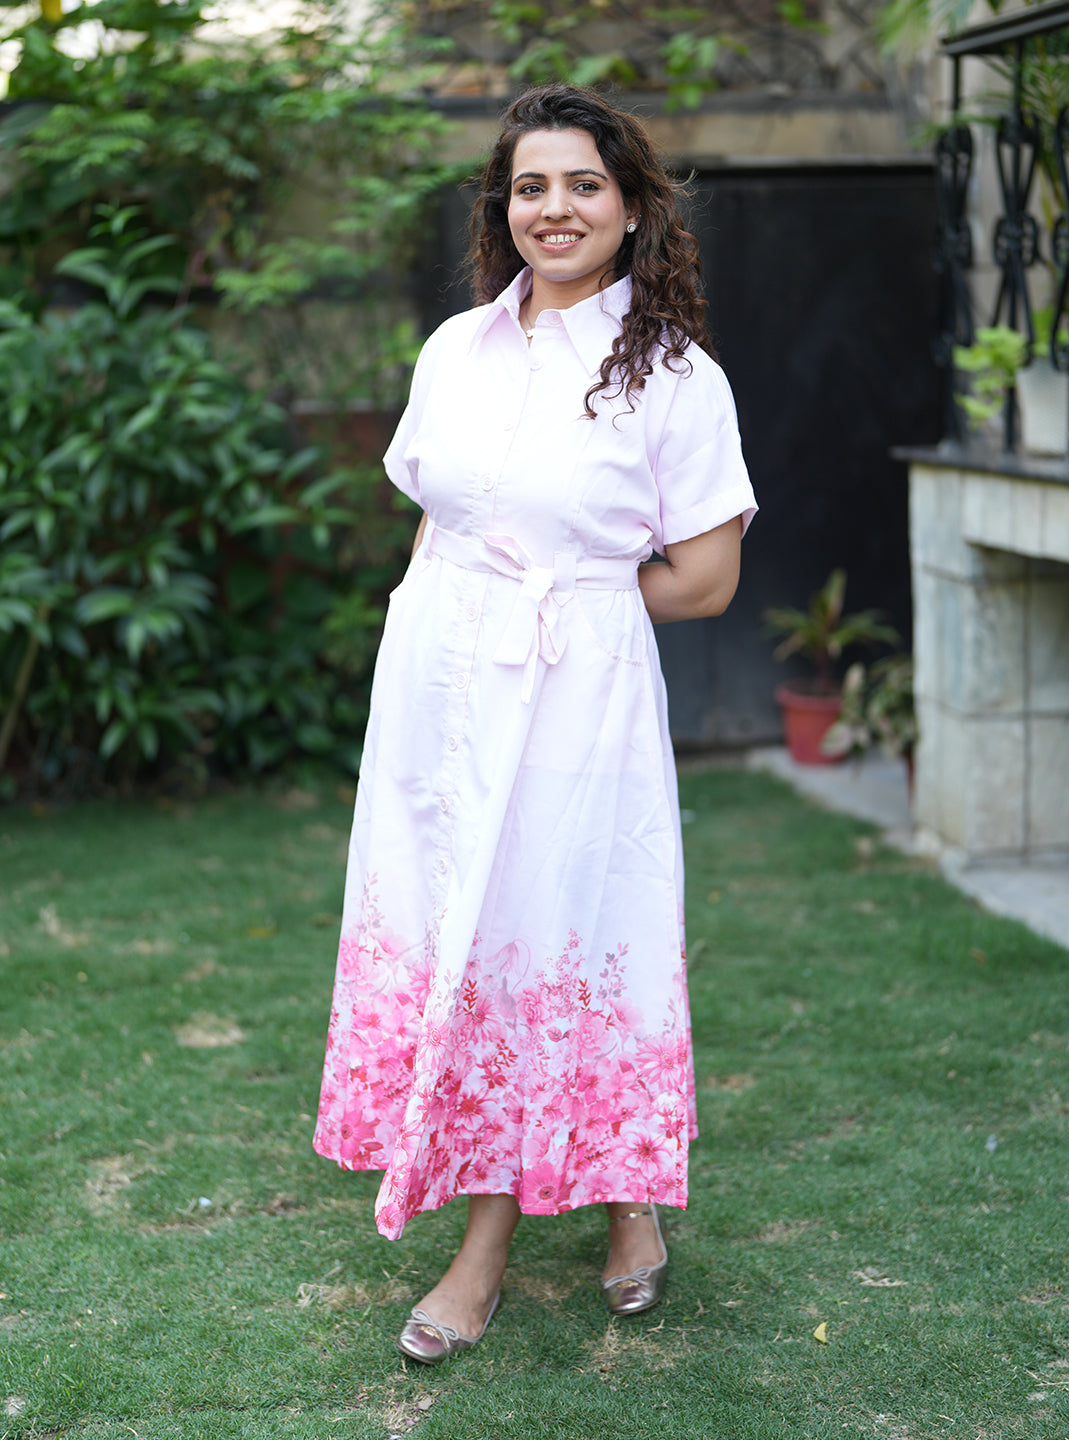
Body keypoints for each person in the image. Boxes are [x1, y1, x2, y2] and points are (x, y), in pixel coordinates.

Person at [313, 82, 757, 1365]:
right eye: (528, 187)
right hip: (438, 688)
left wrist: (578, 614)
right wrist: (441, 637)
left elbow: (708, 576)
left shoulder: (674, 375)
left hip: (576, 697)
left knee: (563, 932)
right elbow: (436, 515)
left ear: (631, 207)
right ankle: (612, 1208)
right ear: (501, 209)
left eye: (581, 185)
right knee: (462, 927)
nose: (552, 209)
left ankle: (509, 1243)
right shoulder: (455, 349)